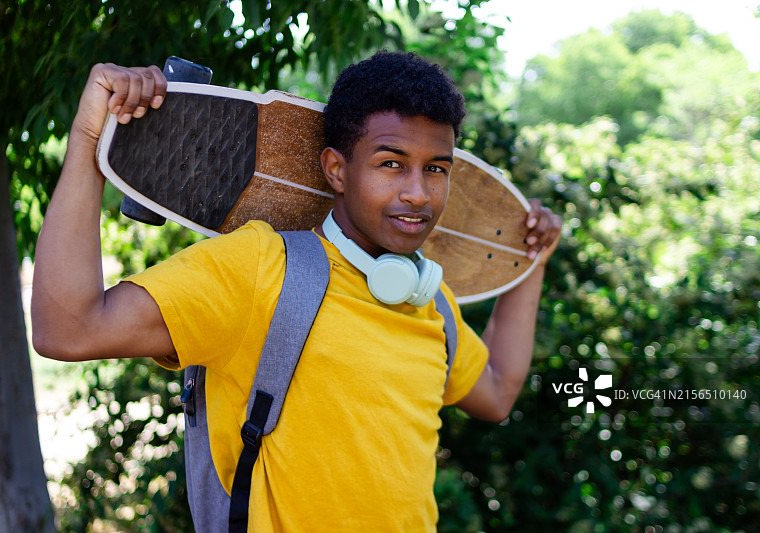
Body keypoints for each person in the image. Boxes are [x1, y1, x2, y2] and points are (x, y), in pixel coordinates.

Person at [32, 51, 562, 531]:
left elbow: (497, 393)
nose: (418, 193)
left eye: (436, 169)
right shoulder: (262, 269)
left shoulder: (431, 302)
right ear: (336, 169)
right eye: (391, 164)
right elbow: (68, 330)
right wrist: (88, 141)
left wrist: (531, 263)